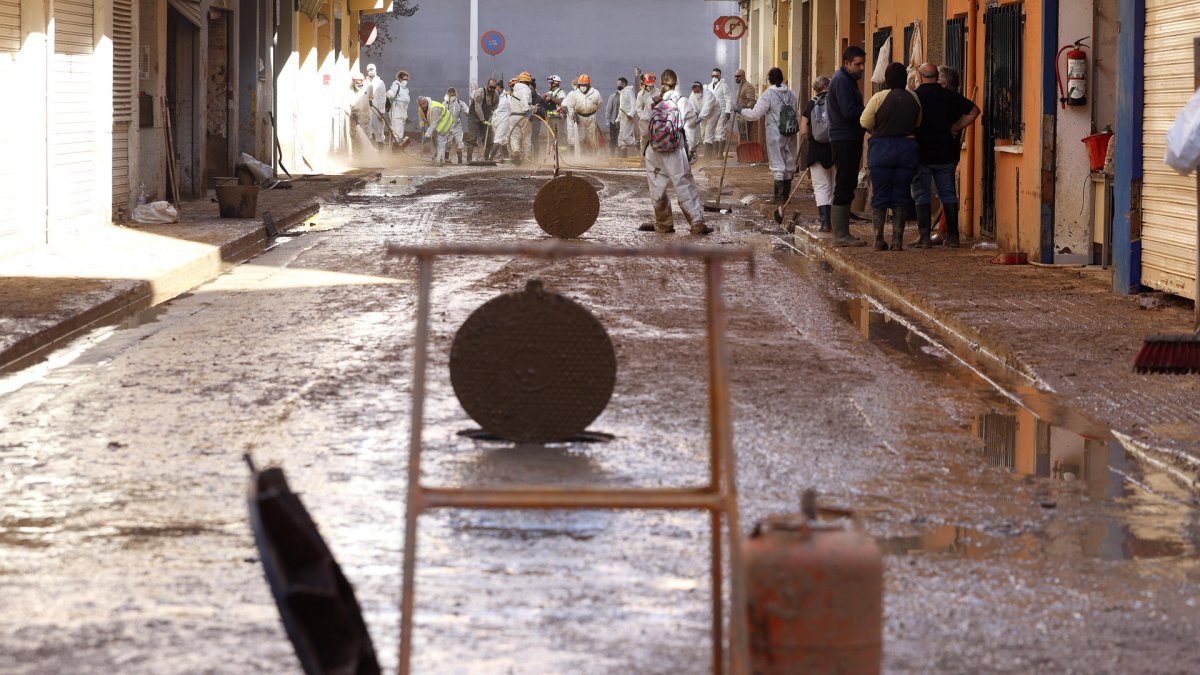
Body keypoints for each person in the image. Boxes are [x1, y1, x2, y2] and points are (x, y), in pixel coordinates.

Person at [911, 62, 980, 247]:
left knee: (922, 196)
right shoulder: (950, 96)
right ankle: (953, 237)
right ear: (936, 77)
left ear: (920, 76)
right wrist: (956, 126)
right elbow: (974, 111)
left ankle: (924, 238)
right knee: (948, 195)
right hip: (947, 154)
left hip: (922, 154)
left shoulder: (915, 97)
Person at [637, 68, 710, 235]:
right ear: (676, 83)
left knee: (657, 189)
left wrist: (648, 147)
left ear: (661, 83)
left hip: (653, 152)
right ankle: (697, 223)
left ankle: (663, 224)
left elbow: (643, 128)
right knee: (684, 185)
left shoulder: (652, 101)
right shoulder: (682, 101)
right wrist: (691, 150)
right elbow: (690, 128)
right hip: (675, 151)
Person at [861, 62, 922, 251]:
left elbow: (864, 121)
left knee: (880, 194)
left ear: (886, 79)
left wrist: (878, 132)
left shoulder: (878, 97)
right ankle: (897, 241)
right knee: (902, 194)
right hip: (907, 149)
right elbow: (918, 123)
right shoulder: (914, 97)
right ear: (904, 79)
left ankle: (878, 239)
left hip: (881, 150)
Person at [826, 45, 869, 247]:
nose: (861, 68)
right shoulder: (842, 81)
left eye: (863, 64)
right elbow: (849, 111)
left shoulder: (847, 80)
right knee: (844, 184)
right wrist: (868, 115)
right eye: (857, 64)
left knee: (847, 183)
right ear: (847, 63)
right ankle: (841, 235)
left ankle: (842, 233)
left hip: (848, 137)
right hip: (844, 138)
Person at [736, 67, 799, 204]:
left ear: (769, 79)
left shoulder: (768, 94)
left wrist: (741, 111)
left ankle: (777, 197)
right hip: (791, 131)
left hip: (775, 132)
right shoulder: (792, 94)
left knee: (777, 163)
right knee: (789, 161)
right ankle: (785, 196)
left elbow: (756, 114)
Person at [800, 76, 835, 233]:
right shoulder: (836, 100)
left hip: (816, 149)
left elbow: (803, 131)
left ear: (816, 88)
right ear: (829, 86)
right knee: (835, 186)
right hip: (836, 147)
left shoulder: (811, 103)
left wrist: (810, 138)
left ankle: (825, 223)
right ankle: (837, 223)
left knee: (821, 186)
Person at [564, 74, 603, 160]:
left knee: (592, 137)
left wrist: (592, 110)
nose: (583, 86)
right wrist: (573, 115)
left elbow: (600, 103)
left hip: (591, 117)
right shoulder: (575, 94)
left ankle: (594, 157)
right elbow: (570, 106)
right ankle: (582, 157)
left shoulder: (595, 93)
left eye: (584, 85)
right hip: (580, 117)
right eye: (581, 85)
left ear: (588, 84)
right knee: (580, 138)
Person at [468, 78, 498, 162]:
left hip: (486, 119)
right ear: (487, 85)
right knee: (472, 138)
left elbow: (496, 104)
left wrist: (493, 110)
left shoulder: (495, 94)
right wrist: (482, 120)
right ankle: (469, 159)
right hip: (474, 117)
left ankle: (486, 158)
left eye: (494, 87)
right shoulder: (480, 92)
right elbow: (478, 108)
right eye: (490, 87)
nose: (492, 89)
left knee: (489, 140)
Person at [508, 71, 535, 164]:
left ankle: (516, 152)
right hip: (523, 116)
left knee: (514, 137)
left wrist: (534, 108)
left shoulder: (515, 88)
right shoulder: (526, 89)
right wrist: (528, 112)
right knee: (526, 138)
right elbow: (524, 101)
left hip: (513, 116)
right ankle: (527, 159)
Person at [418, 96, 453, 165]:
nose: (422, 106)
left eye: (423, 104)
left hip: (444, 122)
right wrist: (422, 125)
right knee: (434, 139)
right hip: (436, 122)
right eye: (420, 104)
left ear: (427, 102)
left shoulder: (434, 108)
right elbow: (422, 118)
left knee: (440, 140)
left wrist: (427, 135)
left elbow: (434, 123)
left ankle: (440, 160)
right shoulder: (420, 108)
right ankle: (436, 156)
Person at [687, 81, 717, 161]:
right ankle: (713, 153)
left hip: (713, 113)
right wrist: (694, 115)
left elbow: (707, 107)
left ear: (701, 89)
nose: (696, 93)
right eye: (694, 91)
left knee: (708, 134)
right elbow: (692, 106)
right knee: (703, 135)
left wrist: (699, 119)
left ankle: (707, 159)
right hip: (702, 115)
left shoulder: (708, 95)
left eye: (697, 91)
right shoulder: (692, 95)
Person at [488, 79, 515, 160]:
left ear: (500, 88)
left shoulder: (507, 97)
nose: (495, 89)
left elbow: (512, 108)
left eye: (496, 88)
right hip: (495, 120)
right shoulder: (492, 97)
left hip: (504, 120)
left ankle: (490, 158)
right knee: (502, 140)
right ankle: (507, 157)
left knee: (498, 139)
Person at [707, 67, 732, 156]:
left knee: (721, 131)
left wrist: (728, 111)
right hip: (712, 112)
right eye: (713, 75)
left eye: (716, 75)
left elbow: (728, 99)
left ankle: (720, 153)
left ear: (720, 76)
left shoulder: (724, 85)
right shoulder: (709, 86)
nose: (714, 77)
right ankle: (714, 152)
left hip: (722, 111)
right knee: (713, 131)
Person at [442, 87, 470, 164]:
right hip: (447, 127)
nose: (453, 96)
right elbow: (440, 115)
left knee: (459, 143)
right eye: (451, 95)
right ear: (448, 94)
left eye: (454, 94)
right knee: (448, 143)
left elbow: (467, 111)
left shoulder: (460, 103)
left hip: (457, 127)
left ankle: (460, 160)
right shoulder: (444, 104)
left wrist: (468, 115)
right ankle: (446, 158)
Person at [363, 64, 388, 144]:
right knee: (367, 130)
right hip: (366, 110)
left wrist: (381, 112)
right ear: (367, 71)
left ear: (375, 70)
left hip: (377, 110)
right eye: (369, 70)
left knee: (379, 130)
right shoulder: (364, 82)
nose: (371, 71)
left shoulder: (380, 83)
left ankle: (381, 151)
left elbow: (383, 98)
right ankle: (369, 152)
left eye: (372, 69)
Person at [386, 70, 410, 145]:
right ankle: (395, 152)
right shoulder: (396, 86)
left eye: (407, 79)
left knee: (400, 134)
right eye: (404, 79)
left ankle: (397, 151)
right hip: (396, 114)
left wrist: (406, 115)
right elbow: (390, 94)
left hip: (402, 115)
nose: (405, 81)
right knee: (397, 133)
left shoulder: (405, 90)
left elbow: (406, 104)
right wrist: (390, 98)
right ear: (399, 78)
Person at [617, 76, 638, 156]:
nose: (618, 85)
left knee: (625, 137)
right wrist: (617, 119)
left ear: (624, 83)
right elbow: (621, 108)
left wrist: (631, 114)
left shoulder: (629, 92)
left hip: (628, 117)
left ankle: (639, 145)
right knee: (621, 139)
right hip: (622, 118)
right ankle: (623, 156)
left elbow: (634, 104)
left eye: (619, 83)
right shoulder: (622, 93)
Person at [735, 69, 757, 141]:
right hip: (740, 116)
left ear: (743, 76)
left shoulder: (748, 87)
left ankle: (747, 151)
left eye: (738, 76)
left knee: (745, 135)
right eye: (735, 76)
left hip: (745, 115)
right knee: (742, 135)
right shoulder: (741, 86)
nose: (736, 78)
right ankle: (744, 151)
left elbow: (751, 102)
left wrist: (744, 107)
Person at [635, 72, 657, 143]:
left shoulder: (659, 93)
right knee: (645, 138)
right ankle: (643, 153)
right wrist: (644, 117)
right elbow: (638, 108)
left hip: (657, 121)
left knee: (656, 139)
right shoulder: (641, 94)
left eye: (652, 86)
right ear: (644, 84)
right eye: (648, 86)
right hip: (645, 121)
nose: (650, 87)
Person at [605, 86, 621, 155]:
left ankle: (621, 155)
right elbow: (608, 109)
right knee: (613, 138)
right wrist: (607, 119)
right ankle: (612, 155)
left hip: (623, 122)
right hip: (613, 121)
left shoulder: (626, 97)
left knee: (621, 139)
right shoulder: (613, 97)